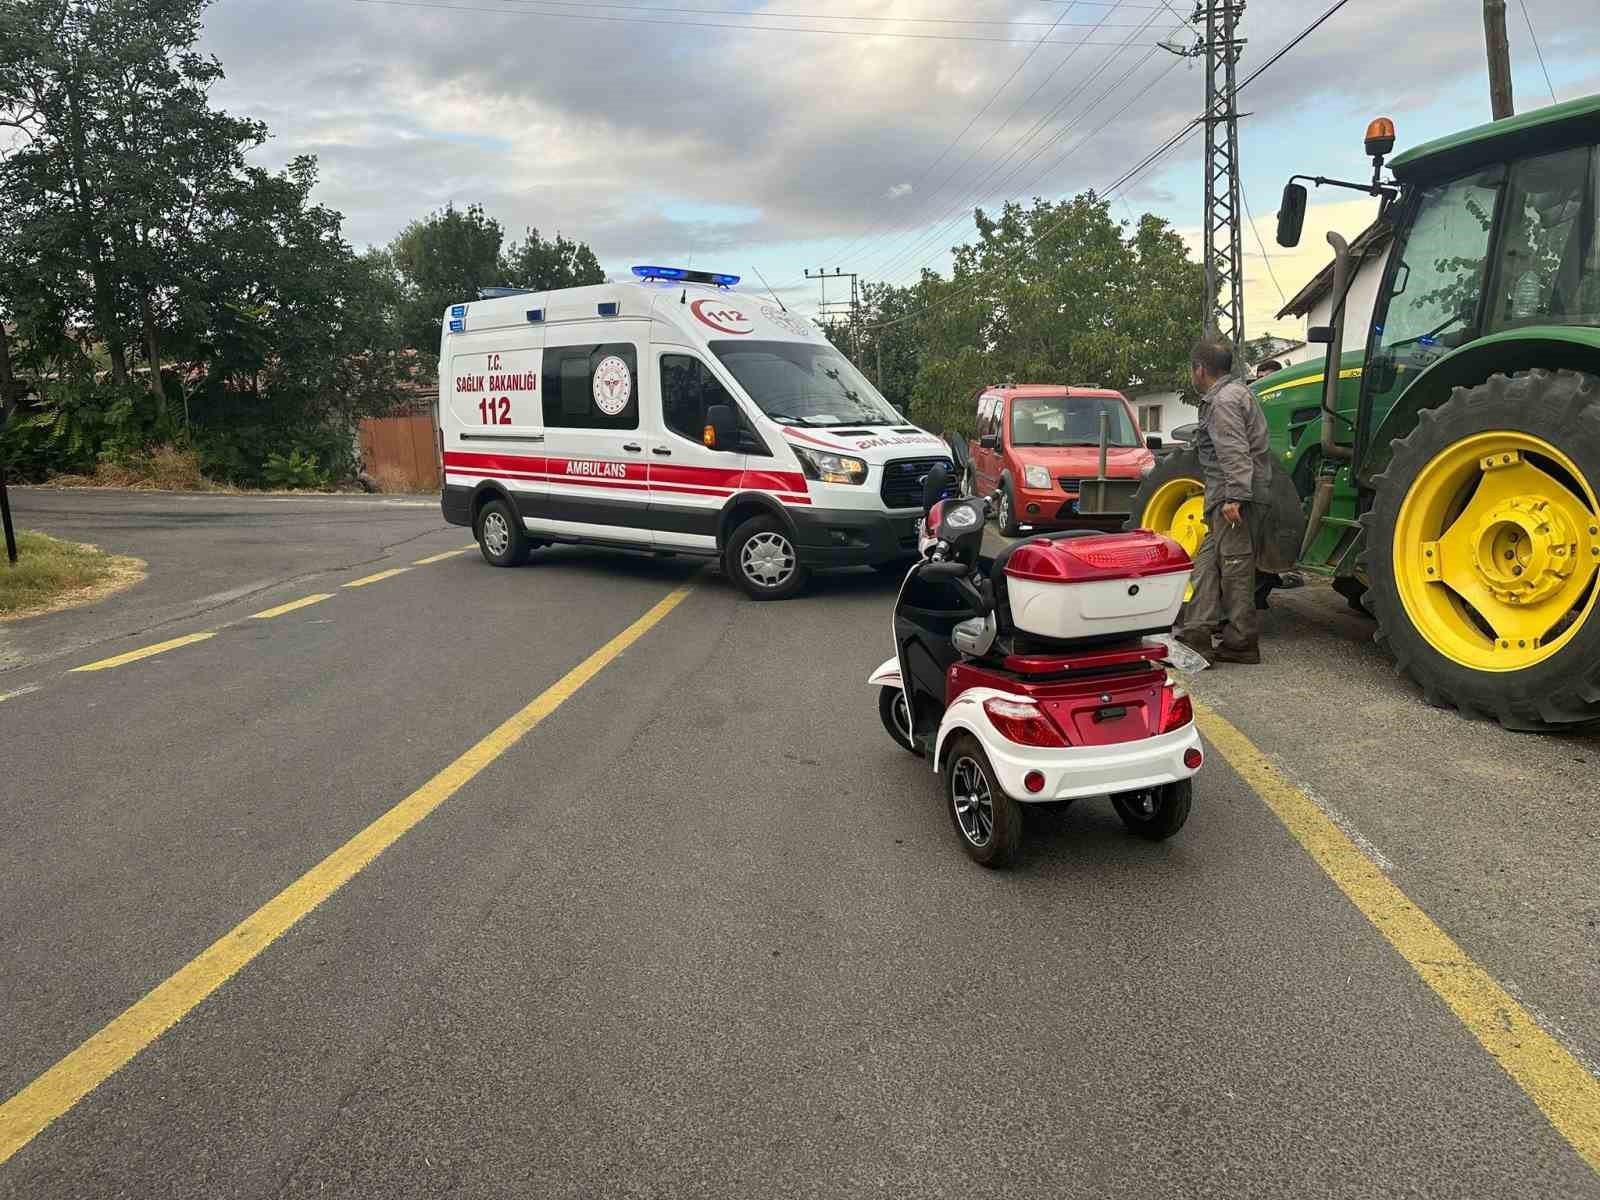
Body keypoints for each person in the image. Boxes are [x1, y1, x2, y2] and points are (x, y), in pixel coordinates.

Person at [1174, 337, 1274, 665]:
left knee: (1235, 567)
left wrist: (1235, 497)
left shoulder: (1223, 401)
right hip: (1223, 496)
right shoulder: (1237, 393)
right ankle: (1197, 632)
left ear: (1200, 369)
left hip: (1234, 498)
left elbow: (1233, 449)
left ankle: (1241, 642)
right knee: (1205, 563)